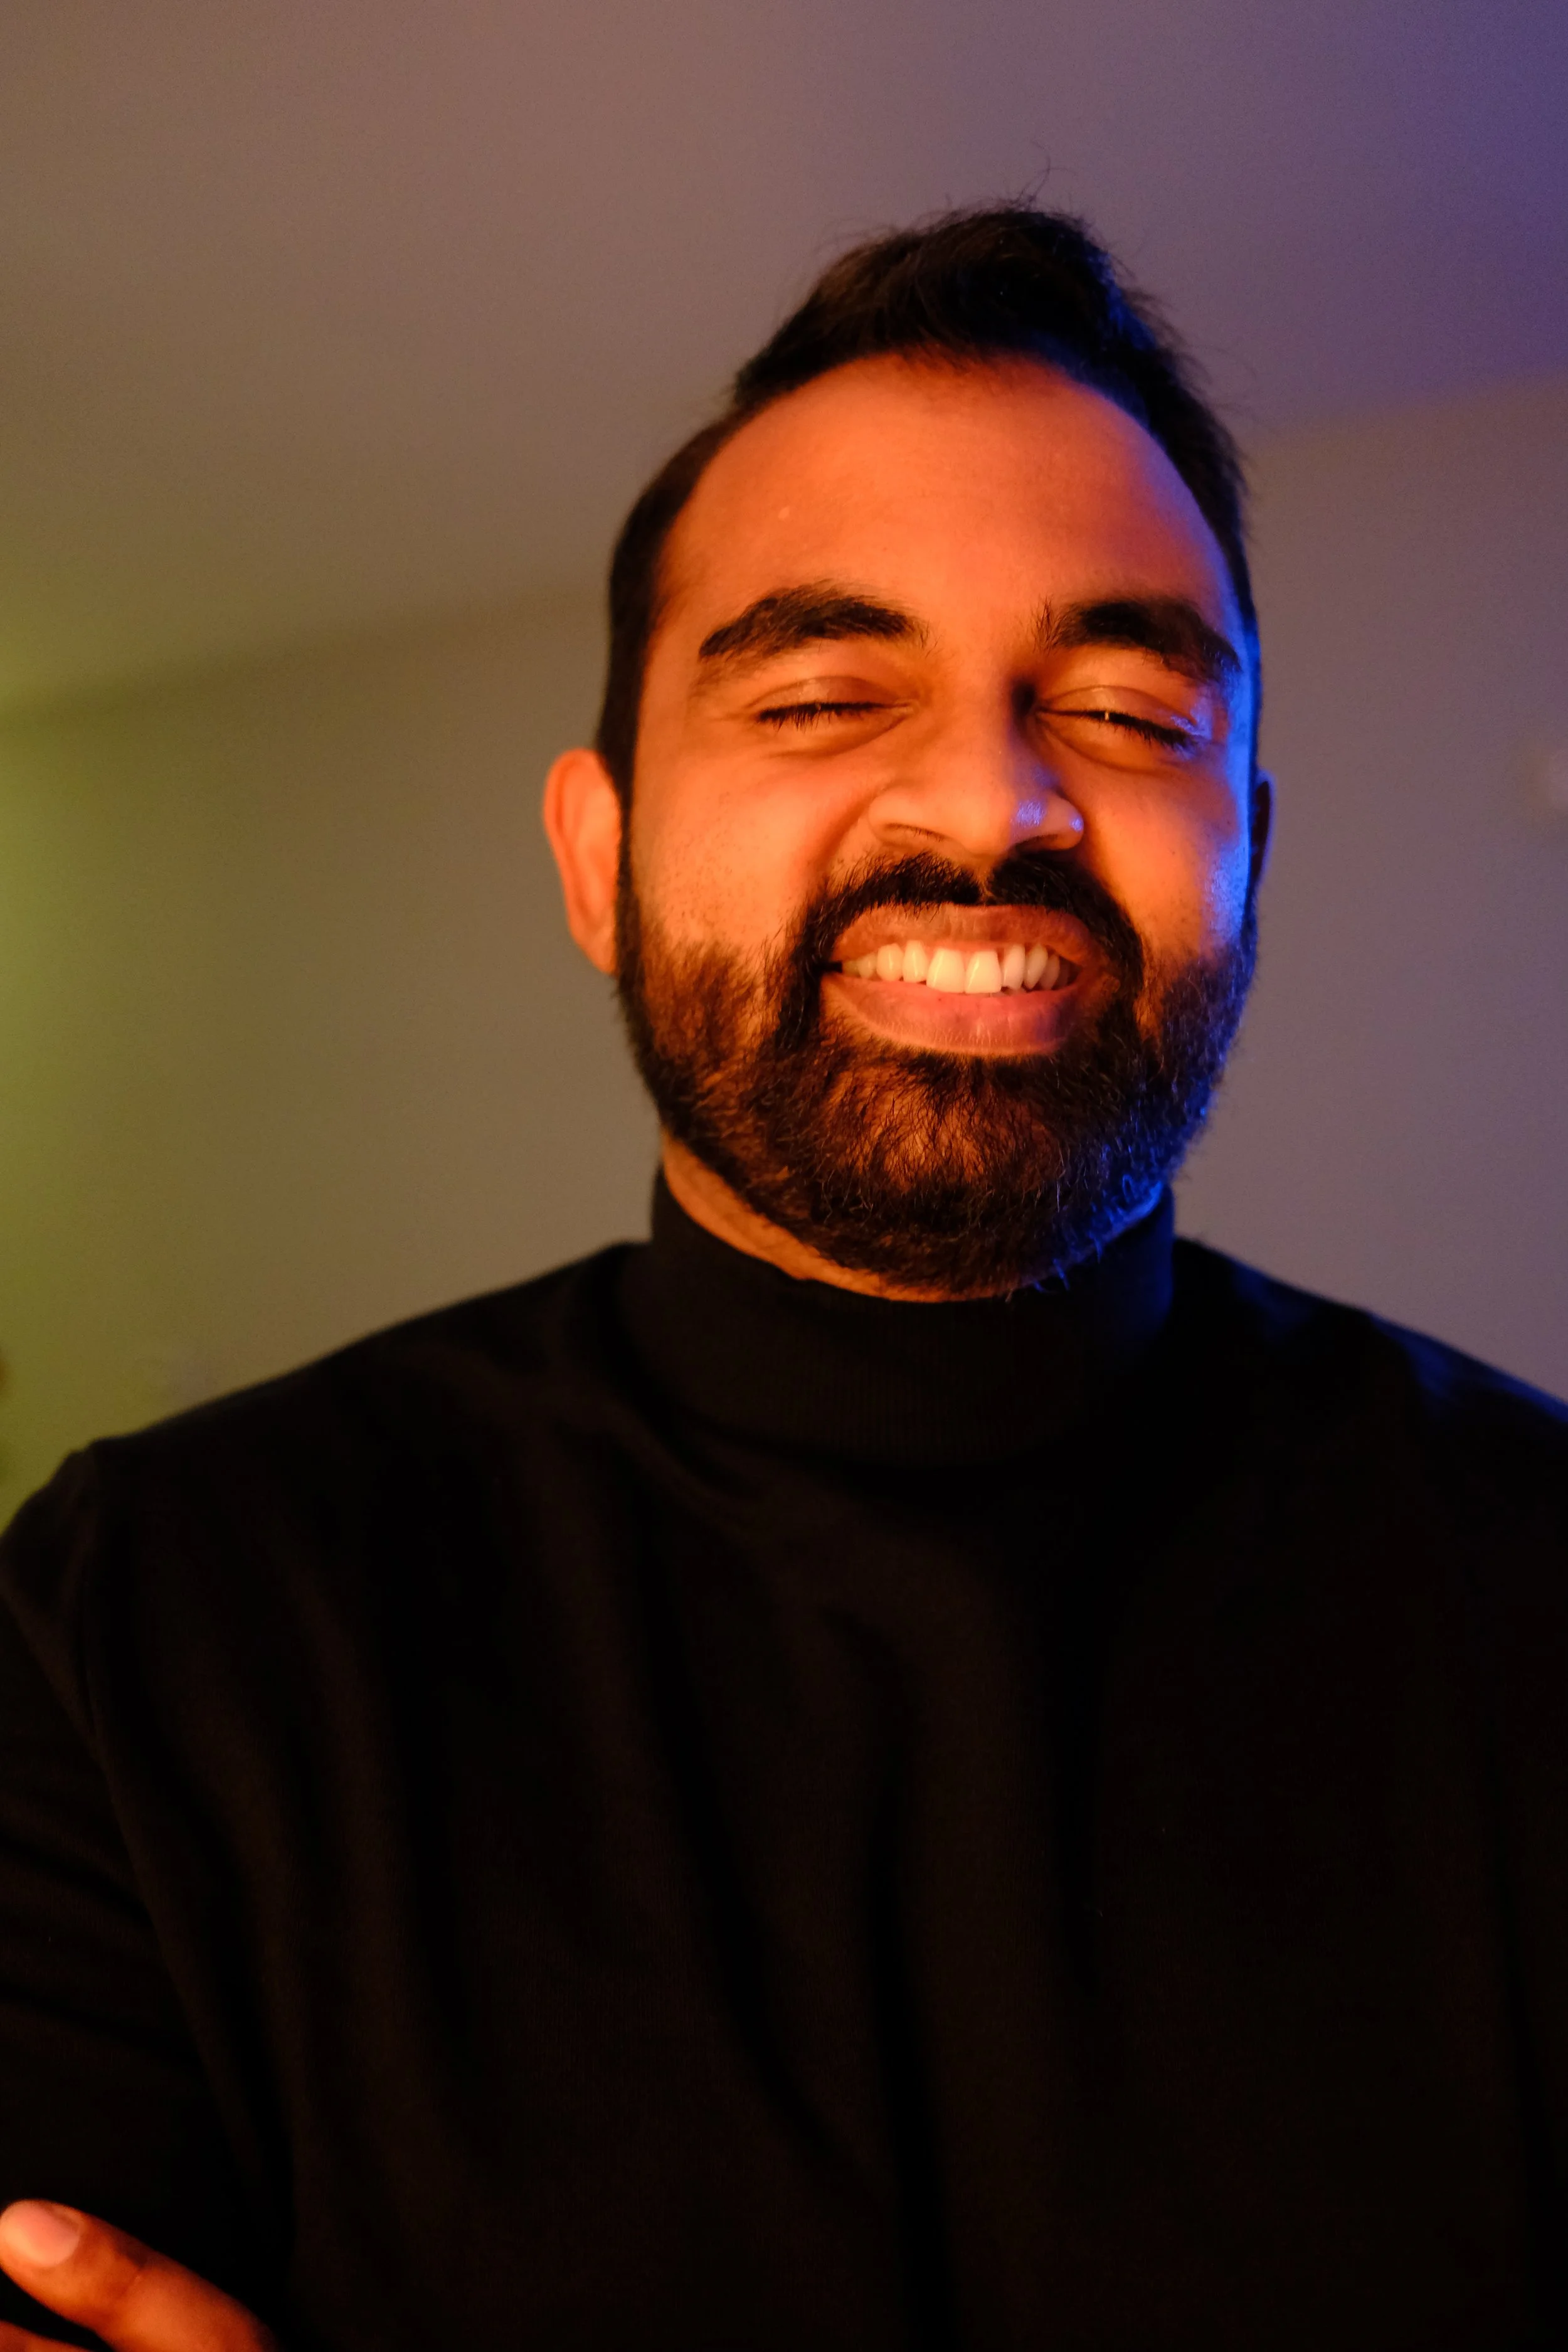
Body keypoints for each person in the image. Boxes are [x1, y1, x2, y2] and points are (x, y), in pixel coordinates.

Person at [0, 204, 1564, 2352]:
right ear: (596, 859)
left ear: (1250, 856)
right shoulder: (146, 1618)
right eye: (827, 691)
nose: (989, 802)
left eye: (1123, 708)